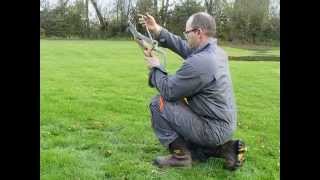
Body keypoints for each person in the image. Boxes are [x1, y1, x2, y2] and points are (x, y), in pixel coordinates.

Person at [139, 12, 246, 170]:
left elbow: (169, 90)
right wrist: (157, 30)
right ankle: (227, 149)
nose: (185, 36)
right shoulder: (214, 52)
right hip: (222, 124)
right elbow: (182, 45)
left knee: (158, 103)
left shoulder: (202, 61)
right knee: (179, 106)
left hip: (212, 127)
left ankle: (181, 156)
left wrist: (155, 67)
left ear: (198, 32)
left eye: (187, 32)